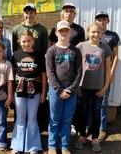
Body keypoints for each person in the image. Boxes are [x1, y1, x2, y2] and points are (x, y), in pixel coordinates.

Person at [46, 20, 82, 154]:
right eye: (61, 31)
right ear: (56, 33)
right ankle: (52, 146)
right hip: (56, 90)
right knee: (55, 119)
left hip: (71, 90)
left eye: (66, 30)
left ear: (70, 32)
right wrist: (59, 90)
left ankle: (65, 147)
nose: (64, 33)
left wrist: (71, 89)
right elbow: (50, 72)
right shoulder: (51, 50)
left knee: (67, 120)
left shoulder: (75, 50)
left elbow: (79, 71)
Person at [74, 21, 111, 152]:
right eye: (93, 32)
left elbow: (108, 69)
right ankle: (82, 136)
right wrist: (76, 84)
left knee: (96, 113)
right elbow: (75, 66)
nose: (95, 34)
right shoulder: (81, 46)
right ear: (88, 33)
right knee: (83, 112)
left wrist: (106, 86)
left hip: (98, 88)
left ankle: (95, 138)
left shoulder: (105, 48)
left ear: (101, 33)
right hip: (83, 87)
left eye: (98, 32)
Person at [10, 30, 47, 154]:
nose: (26, 43)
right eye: (24, 41)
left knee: (32, 118)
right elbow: (12, 74)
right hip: (19, 91)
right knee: (20, 119)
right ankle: (17, 146)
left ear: (33, 41)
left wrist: (43, 93)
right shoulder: (16, 55)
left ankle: (33, 147)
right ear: (20, 42)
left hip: (35, 91)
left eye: (29, 41)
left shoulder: (39, 55)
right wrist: (11, 94)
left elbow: (43, 75)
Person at [95, 11, 121, 141]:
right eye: (99, 19)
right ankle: (90, 126)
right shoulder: (93, 34)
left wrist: (111, 73)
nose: (101, 21)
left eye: (103, 19)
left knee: (103, 102)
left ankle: (102, 128)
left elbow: (116, 55)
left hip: (106, 73)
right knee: (92, 100)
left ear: (108, 21)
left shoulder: (113, 36)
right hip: (93, 73)